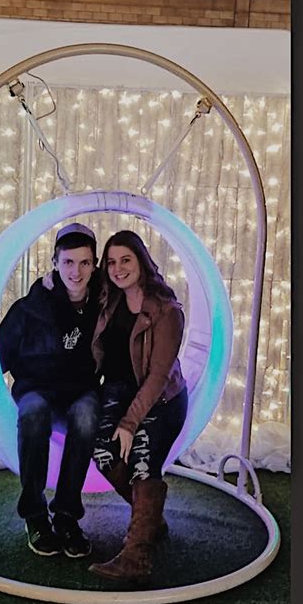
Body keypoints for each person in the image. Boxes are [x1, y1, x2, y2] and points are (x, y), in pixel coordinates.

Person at [0, 223, 101, 559]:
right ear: (54, 263)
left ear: (94, 265)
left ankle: (67, 515)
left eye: (85, 262)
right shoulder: (30, 308)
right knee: (33, 414)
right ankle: (35, 516)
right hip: (36, 388)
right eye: (68, 262)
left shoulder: (104, 305)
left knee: (87, 416)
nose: (76, 271)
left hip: (80, 391)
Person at [88, 229, 188, 585]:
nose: (118, 268)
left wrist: (130, 423)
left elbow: (158, 376)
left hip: (161, 398)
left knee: (142, 461)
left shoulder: (166, 310)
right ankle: (152, 520)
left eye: (126, 260)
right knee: (103, 453)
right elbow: (68, 282)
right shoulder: (107, 297)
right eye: (111, 262)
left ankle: (137, 557)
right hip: (118, 390)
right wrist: (48, 283)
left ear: (142, 261)